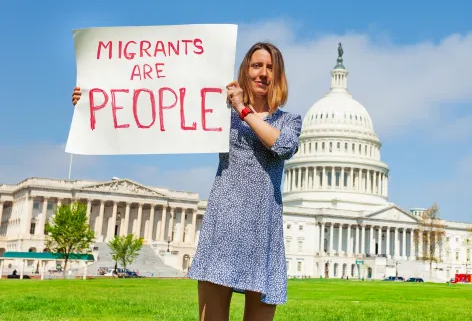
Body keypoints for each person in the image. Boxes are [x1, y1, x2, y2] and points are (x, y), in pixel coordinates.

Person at [71, 42, 302, 321]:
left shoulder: (288, 120)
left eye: (270, 67)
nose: (263, 73)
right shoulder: (220, 113)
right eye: (257, 66)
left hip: (263, 227)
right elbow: (161, 114)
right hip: (224, 222)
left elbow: (283, 146)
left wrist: (242, 109)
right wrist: (94, 102)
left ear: (278, 76)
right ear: (245, 71)